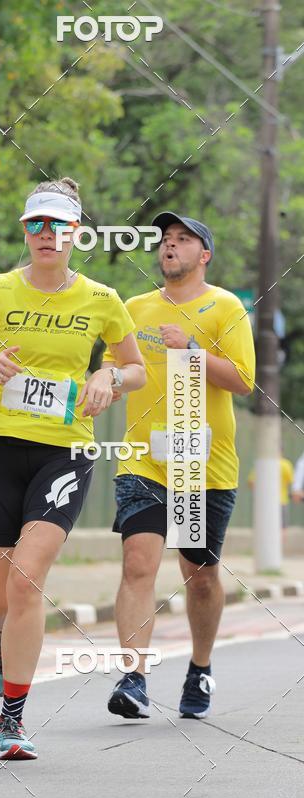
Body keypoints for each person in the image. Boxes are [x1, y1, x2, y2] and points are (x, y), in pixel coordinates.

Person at [0, 178, 145, 759]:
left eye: (58, 226)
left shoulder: (102, 299)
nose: (47, 235)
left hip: (65, 451)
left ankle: (12, 719)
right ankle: (8, 640)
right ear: (25, 231)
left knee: (27, 580)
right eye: (36, 225)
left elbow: (137, 370)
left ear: (76, 233)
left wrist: (107, 375)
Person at [103, 211, 255, 720]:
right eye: (165, 239)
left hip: (202, 464)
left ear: (203, 255)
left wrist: (191, 350)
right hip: (143, 458)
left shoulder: (225, 307)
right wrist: (106, 382)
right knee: (138, 563)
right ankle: (134, 678)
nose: (170, 246)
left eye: (183, 239)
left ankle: (200, 666)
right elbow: (115, 365)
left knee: (201, 577)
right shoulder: (134, 308)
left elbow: (243, 380)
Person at [248, 455, 294, 530]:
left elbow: (251, 483)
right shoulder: (286, 464)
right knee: (282, 528)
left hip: (264, 503)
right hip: (281, 501)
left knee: (264, 527)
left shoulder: (261, 464)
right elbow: (290, 482)